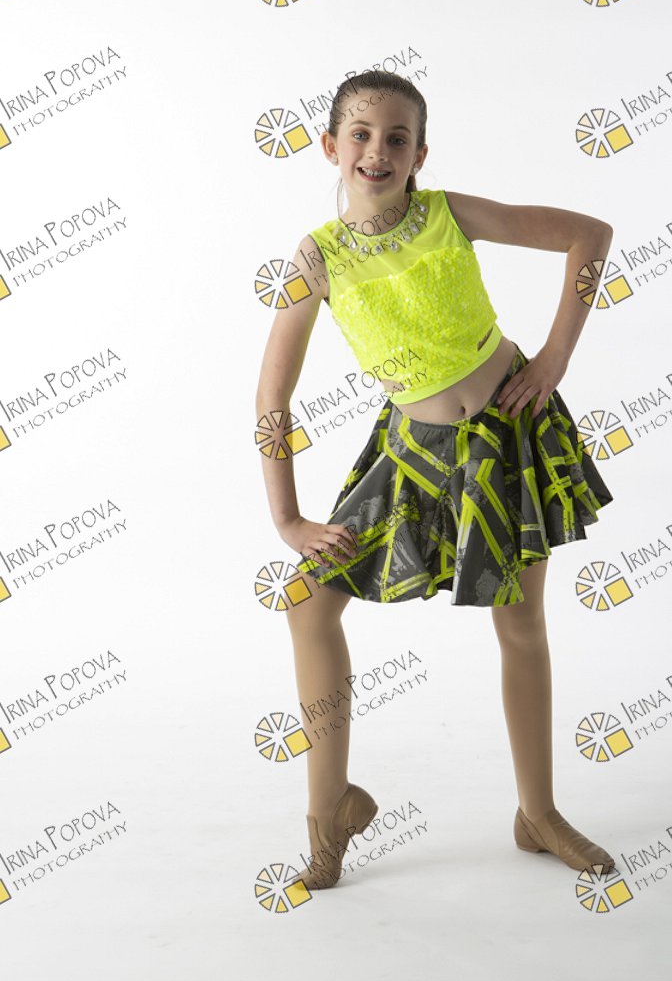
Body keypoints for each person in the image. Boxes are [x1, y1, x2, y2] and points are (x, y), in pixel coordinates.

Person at [256, 69, 616, 890]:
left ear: (420, 154)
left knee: (520, 621)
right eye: (360, 134)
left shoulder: (450, 214)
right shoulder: (316, 258)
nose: (377, 150)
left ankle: (538, 813)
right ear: (330, 146)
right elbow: (271, 398)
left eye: (397, 138)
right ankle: (329, 811)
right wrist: (288, 519)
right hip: (413, 454)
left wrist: (553, 360)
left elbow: (589, 235)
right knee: (308, 600)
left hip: (507, 436)